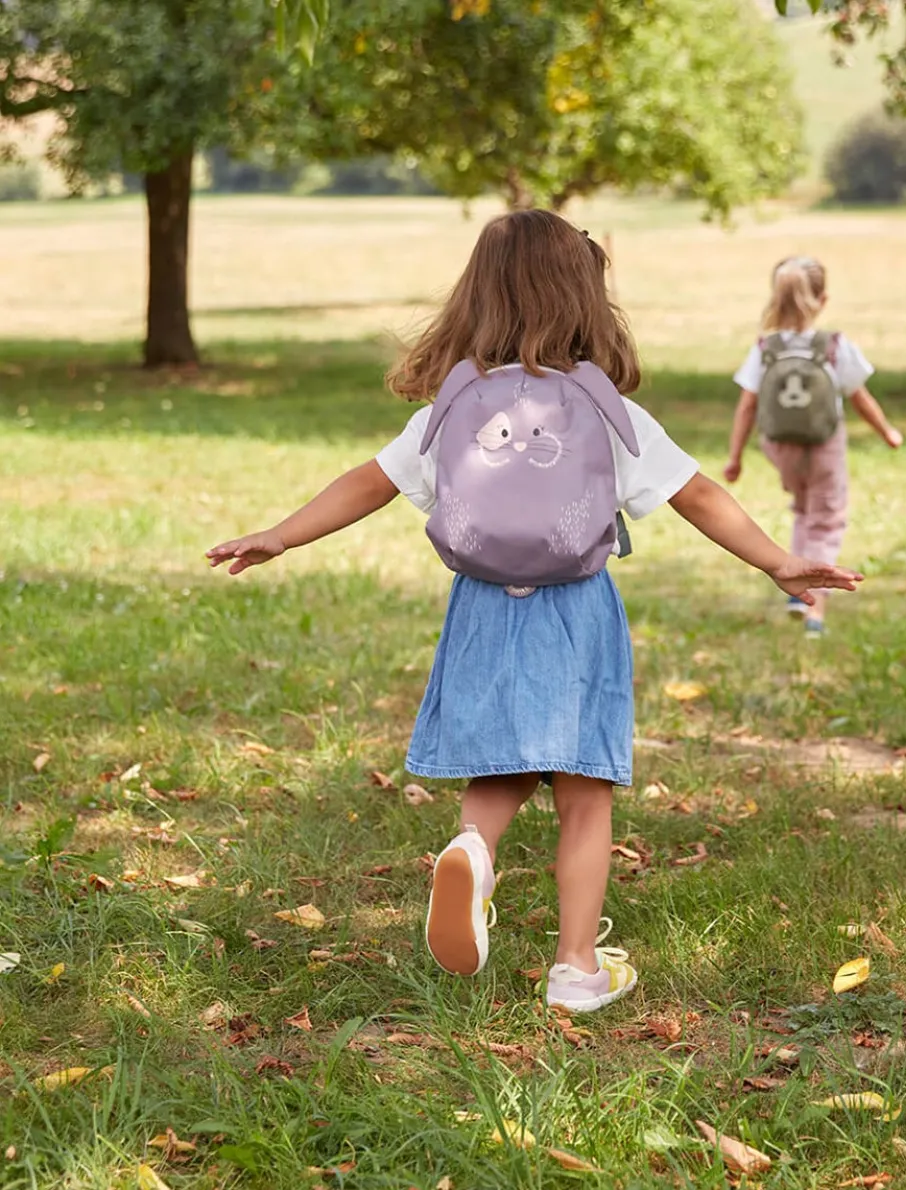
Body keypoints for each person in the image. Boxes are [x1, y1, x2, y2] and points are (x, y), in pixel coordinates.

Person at [207, 211, 862, 1014]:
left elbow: (369, 481)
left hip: (482, 606)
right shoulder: (605, 410)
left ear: (477, 296)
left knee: (499, 766)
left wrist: (281, 534)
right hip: (576, 611)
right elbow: (697, 495)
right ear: (585, 297)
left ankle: (474, 850)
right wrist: (777, 561)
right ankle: (576, 968)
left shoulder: (454, 406)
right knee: (585, 792)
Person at [724, 255, 901, 636]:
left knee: (805, 510)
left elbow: (747, 406)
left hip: (780, 447)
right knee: (826, 518)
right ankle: (815, 608)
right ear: (822, 300)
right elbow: (859, 397)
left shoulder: (765, 347)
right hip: (824, 445)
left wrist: (735, 457)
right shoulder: (834, 346)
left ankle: (794, 587)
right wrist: (887, 431)